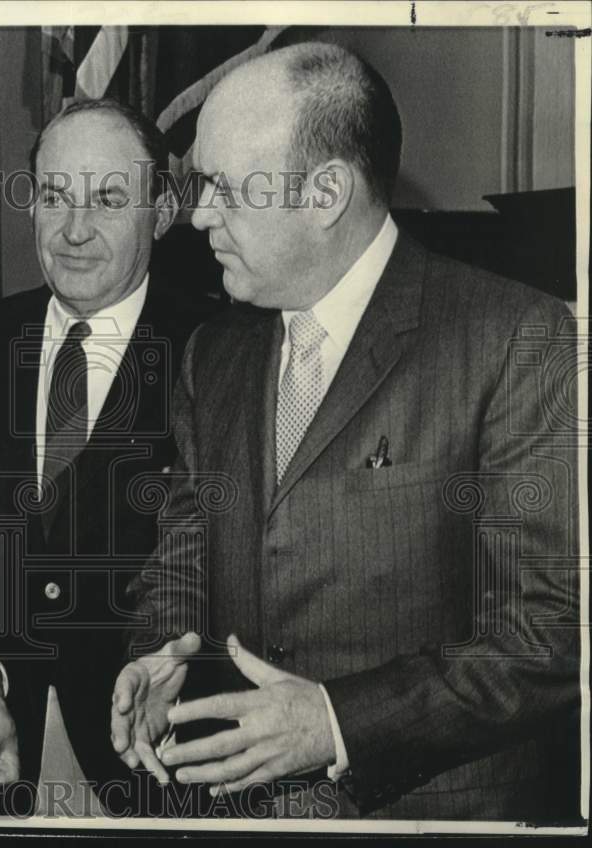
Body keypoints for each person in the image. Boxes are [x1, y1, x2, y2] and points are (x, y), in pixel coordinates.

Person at [111, 42, 579, 820]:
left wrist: (335, 721)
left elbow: (548, 633)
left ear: (327, 192)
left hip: (430, 812)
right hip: (238, 808)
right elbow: (187, 546)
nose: (197, 216)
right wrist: (159, 652)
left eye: (224, 188)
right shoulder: (214, 352)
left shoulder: (512, 339)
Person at [0, 98, 217, 808]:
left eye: (107, 199)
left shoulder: (221, 350)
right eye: (55, 195)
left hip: (162, 760)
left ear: (161, 212)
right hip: (0, 753)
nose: (72, 230)